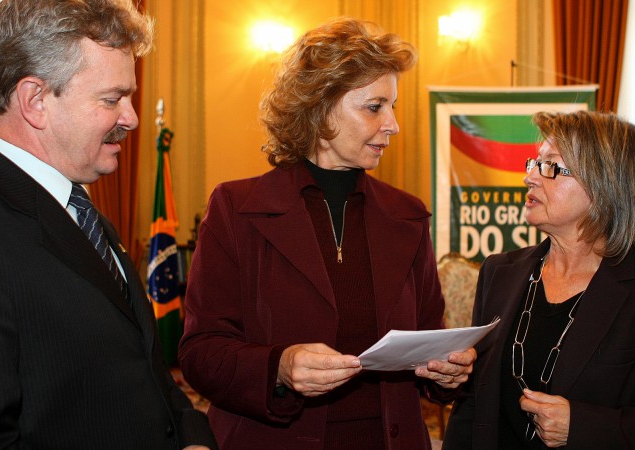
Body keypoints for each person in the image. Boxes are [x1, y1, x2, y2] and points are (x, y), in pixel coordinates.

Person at [0, 1, 217, 449]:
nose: (131, 118)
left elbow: (146, 369)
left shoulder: (80, 210)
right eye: (112, 98)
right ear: (35, 100)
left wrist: (192, 438)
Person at [178, 17, 476, 450]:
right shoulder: (236, 210)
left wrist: (448, 373)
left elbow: (429, 339)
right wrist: (278, 367)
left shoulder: (407, 216)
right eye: (374, 107)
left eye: (392, 106)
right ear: (319, 108)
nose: (393, 124)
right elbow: (200, 353)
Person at [443, 110, 635, 449]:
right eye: (534, 162)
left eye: (551, 167)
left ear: (604, 187)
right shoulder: (499, 272)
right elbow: (473, 406)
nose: (530, 177)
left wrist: (583, 426)